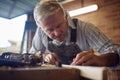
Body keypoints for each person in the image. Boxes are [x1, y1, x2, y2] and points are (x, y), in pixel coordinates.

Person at [29, 0, 120, 67]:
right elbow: (31, 56)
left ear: (65, 16)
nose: (57, 33)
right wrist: (44, 57)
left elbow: (115, 51)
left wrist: (100, 59)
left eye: (59, 25)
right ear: (41, 28)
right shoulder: (40, 32)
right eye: (50, 30)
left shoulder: (85, 28)